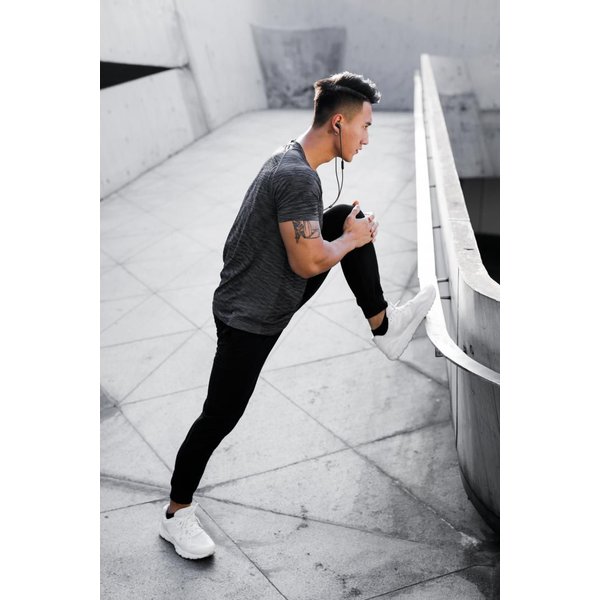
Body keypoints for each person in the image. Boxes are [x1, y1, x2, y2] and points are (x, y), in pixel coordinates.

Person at [159, 71, 436, 560]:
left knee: (344, 216)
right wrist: (352, 241)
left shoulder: (291, 159)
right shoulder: (296, 177)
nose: (367, 139)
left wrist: (348, 234)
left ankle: (385, 326)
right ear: (338, 123)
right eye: (365, 127)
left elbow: (307, 248)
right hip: (251, 315)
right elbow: (307, 263)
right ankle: (176, 514)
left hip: (263, 292)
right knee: (220, 416)